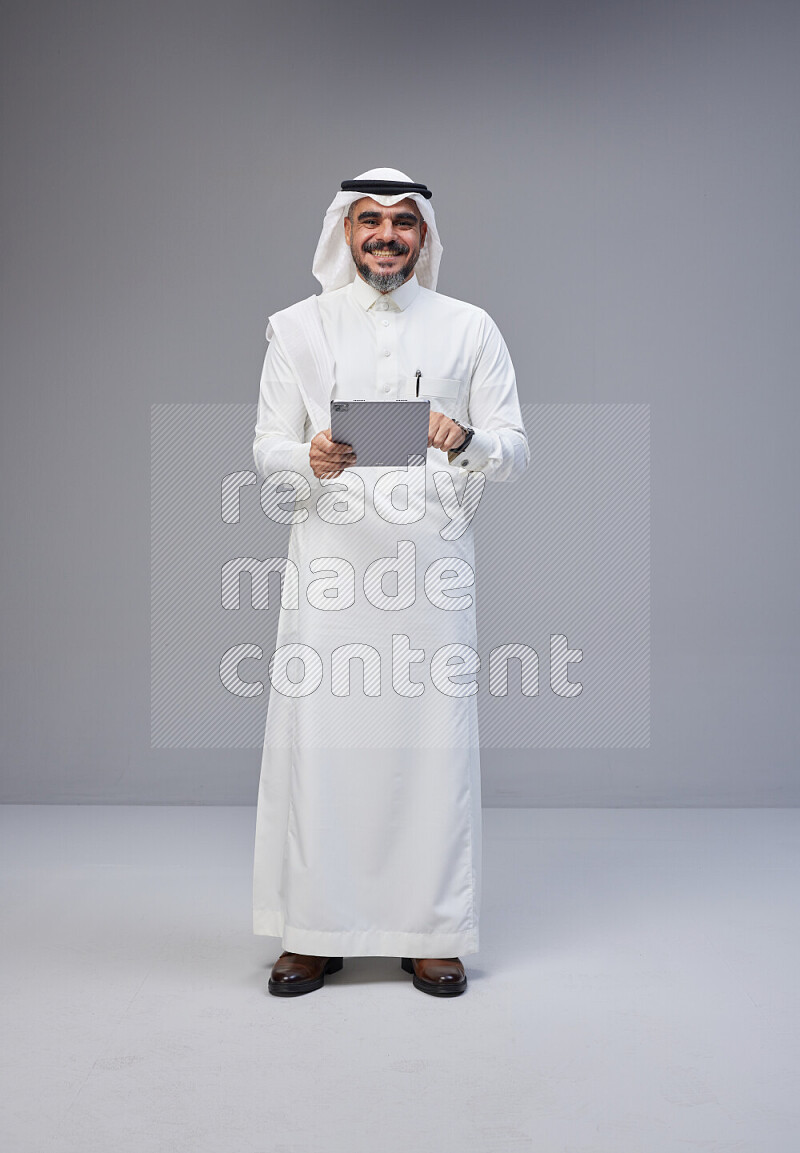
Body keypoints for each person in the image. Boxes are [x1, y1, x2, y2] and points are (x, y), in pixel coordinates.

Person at [252, 167, 529, 997]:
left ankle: (431, 929)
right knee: (322, 746)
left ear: (425, 236)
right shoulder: (298, 329)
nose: (385, 234)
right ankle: (312, 931)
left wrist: (466, 438)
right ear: (344, 231)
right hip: (330, 571)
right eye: (368, 219)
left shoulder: (469, 328)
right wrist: (310, 455)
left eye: (403, 222)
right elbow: (266, 444)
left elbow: (515, 449)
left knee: (429, 746)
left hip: (429, 576)